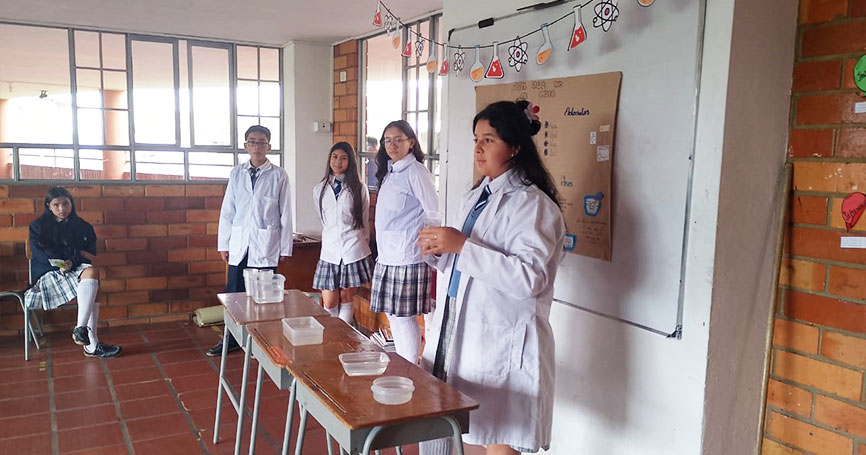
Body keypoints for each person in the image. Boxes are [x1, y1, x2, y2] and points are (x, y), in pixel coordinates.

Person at [417, 100, 565, 455]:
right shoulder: (477, 196)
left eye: (489, 140)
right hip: (458, 325)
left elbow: (529, 278)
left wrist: (461, 246)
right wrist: (440, 252)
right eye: (476, 140)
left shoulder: (533, 205)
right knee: (469, 429)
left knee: (500, 436)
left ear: (514, 147)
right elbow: (466, 266)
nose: (478, 149)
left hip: (500, 335)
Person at [207, 125, 292, 357]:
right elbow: (228, 210)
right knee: (234, 295)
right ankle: (231, 339)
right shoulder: (237, 173)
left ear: (269, 147)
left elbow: (286, 213)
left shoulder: (279, 175)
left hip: (266, 245)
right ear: (246, 146)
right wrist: (224, 244)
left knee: (263, 297)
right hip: (239, 244)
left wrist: (285, 248)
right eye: (252, 142)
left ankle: (261, 342)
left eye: (262, 142)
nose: (257, 146)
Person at [370, 120, 439, 363]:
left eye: (398, 139)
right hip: (388, 255)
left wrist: (426, 244)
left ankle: (409, 368)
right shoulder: (391, 171)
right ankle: (402, 363)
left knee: (404, 317)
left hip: (408, 255)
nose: (392, 145)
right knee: (393, 314)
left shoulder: (416, 172)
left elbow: (434, 212)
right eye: (387, 140)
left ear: (411, 142)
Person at [25, 187, 121, 358]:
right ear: (48, 206)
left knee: (92, 273)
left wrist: (71, 261)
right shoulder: (38, 226)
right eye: (56, 205)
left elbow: (87, 252)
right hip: (49, 273)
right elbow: (40, 253)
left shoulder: (82, 226)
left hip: (75, 268)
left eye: (66, 204)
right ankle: (91, 344)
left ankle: (80, 329)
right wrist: (62, 263)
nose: (62, 208)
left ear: (71, 204)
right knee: (93, 284)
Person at [312, 142, 372, 324]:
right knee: (330, 301)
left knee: (346, 297)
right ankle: (332, 335)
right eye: (335, 157)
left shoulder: (359, 188)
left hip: (353, 249)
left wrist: (364, 244)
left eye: (344, 158)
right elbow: (323, 219)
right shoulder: (320, 189)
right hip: (329, 252)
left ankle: (343, 336)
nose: (338, 162)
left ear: (350, 162)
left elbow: (364, 220)